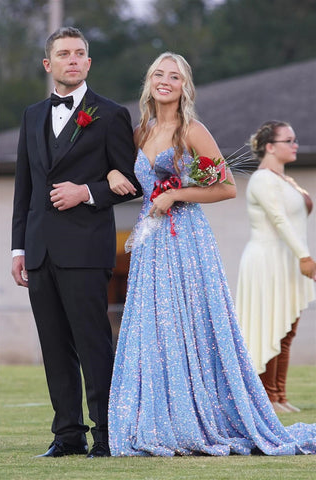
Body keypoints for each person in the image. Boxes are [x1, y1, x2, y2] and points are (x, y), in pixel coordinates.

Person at [106, 53, 316, 456]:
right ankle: (158, 418)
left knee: (191, 321)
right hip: (151, 244)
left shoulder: (193, 130)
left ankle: (203, 417)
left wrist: (177, 193)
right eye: (158, 75)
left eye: (174, 76)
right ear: (149, 82)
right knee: (155, 326)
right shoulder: (140, 132)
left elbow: (226, 187)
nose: (165, 81)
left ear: (184, 86)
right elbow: (131, 183)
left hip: (186, 239)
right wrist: (116, 174)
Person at [11, 26, 141, 458]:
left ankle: (106, 435)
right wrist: (18, 248)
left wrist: (85, 192)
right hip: (40, 249)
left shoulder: (110, 114)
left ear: (88, 63)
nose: (72, 59)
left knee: (93, 345)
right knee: (54, 347)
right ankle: (67, 435)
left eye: (79, 53)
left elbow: (134, 183)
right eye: (63, 53)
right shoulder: (31, 115)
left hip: (85, 249)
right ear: (48, 64)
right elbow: (24, 188)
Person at [236, 120, 316, 414]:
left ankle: (280, 395)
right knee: (269, 327)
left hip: (287, 261)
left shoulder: (286, 180)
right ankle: (266, 396)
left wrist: (299, 257)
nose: (295, 145)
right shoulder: (262, 180)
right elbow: (279, 220)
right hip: (266, 260)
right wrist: (305, 256)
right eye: (289, 140)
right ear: (270, 147)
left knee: (287, 331)